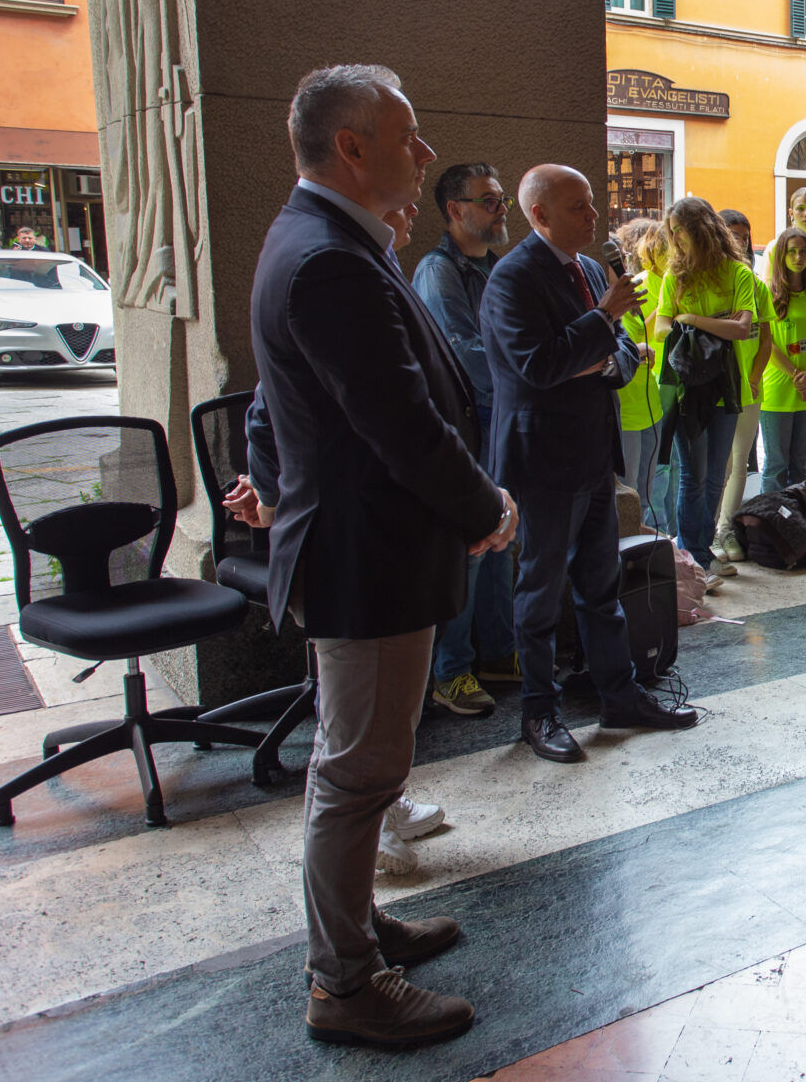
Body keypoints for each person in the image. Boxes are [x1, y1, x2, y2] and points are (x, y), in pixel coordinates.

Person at [251, 64, 516, 1046]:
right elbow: (398, 420)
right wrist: (483, 505)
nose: (425, 151)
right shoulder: (329, 259)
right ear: (351, 147)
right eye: (407, 134)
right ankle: (346, 982)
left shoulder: (328, 241)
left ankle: (358, 926)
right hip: (365, 559)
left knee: (362, 765)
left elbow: (284, 404)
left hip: (369, 549)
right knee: (358, 772)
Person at [480, 166, 697, 764]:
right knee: (541, 592)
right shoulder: (512, 278)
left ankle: (619, 696)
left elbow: (624, 352)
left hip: (594, 454)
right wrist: (599, 322)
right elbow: (538, 366)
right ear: (540, 215)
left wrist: (600, 352)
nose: (594, 217)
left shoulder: (592, 270)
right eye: (578, 207)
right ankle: (539, 712)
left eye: (592, 204)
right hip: (544, 460)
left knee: (602, 587)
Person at [411, 163, 516, 718]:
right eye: (489, 201)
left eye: (502, 200)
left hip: (498, 420)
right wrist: (527, 380)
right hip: (467, 424)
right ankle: (450, 673)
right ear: (455, 210)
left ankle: (498, 654)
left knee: (501, 541)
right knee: (472, 549)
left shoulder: (495, 268)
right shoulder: (438, 272)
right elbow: (466, 354)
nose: (501, 211)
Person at [653, 197, 762, 581]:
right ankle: (694, 555)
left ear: (702, 229)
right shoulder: (675, 275)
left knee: (717, 474)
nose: (677, 239)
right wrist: (714, 324)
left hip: (726, 384)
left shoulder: (738, 273)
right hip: (687, 388)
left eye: (681, 231)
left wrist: (692, 319)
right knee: (692, 475)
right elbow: (661, 329)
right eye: (672, 233)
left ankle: (701, 550)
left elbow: (742, 328)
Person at [710, 208, 774, 570]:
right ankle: (706, 533)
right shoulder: (713, 285)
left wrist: (754, 375)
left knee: (739, 462)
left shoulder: (755, 285)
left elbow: (766, 338)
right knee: (717, 465)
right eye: (733, 234)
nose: (740, 241)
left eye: (745, 236)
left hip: (749, 388)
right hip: (717, 390)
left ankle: (725, 529)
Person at [758, 224, 806, 490]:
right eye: (792, 252)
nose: (798, 257)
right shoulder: (768, 292)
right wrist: (796, 375)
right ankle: (770, 514)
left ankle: (797, 514)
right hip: (778, 390)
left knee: (800, 465)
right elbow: (766, 343)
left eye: (803, 252)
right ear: (781, 255)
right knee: (776, 465)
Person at [610, 218, 668, 528]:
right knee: (628, 491)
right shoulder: (615, 303)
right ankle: (627, 546)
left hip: (651, 405)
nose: (622, 265)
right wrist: (639, 349)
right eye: (615, 260)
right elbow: (626, 347)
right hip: (627, 411)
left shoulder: (633, 293)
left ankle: (646, 542)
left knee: (647, 491)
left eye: (622, 257)